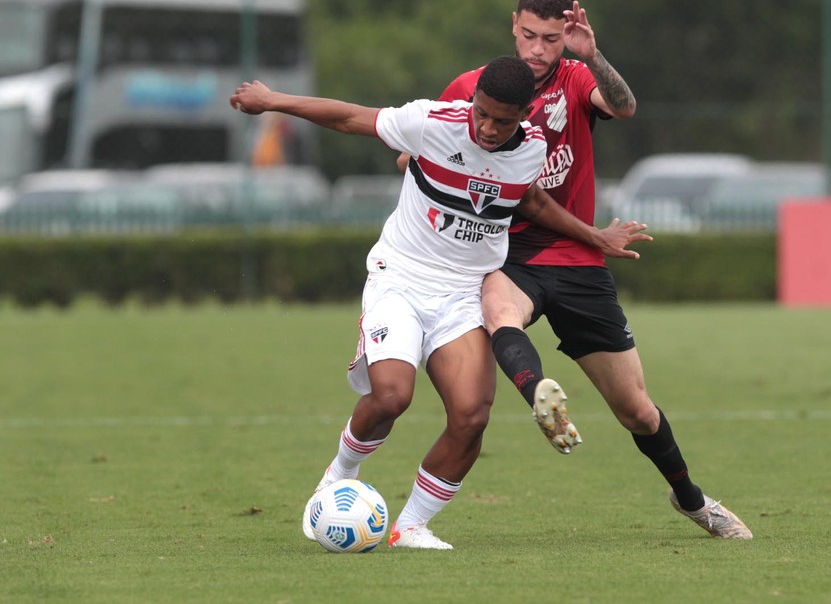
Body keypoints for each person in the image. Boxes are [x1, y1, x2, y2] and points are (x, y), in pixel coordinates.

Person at [230, 56, 644, 550]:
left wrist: (593, 236)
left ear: (524, 114)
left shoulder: (532, 146)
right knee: (391, 396)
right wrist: (272, 100)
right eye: (482, 114)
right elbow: (347, 116)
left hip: (466, 293)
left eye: (502, 120)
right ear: (473, 102)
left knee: (471, 416)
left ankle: (411, 527)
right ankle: (338, 476)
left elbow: (530, 201)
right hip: (401, 278)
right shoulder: (431, 121)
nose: (489, 128)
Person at [401, 0, 752, 539]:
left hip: (580, 259)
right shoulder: (475, 88)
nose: (538, 50)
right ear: (512, 24)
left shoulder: (575, 77)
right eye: (528, 35)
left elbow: (625, 106)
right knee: (499, 311)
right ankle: (541, 395)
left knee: (636, 409)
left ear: (566, 35)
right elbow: (417, 150)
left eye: (551, 38)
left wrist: (593, 54)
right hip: (507, 253)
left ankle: (691, 500)